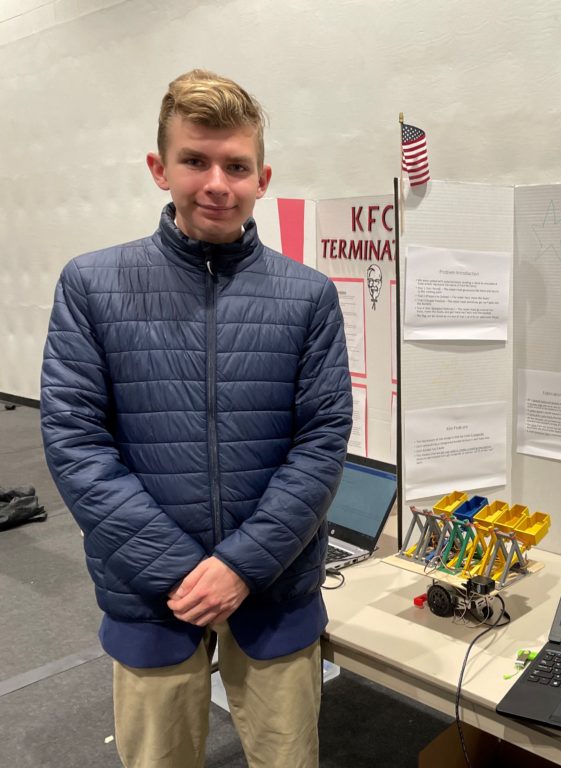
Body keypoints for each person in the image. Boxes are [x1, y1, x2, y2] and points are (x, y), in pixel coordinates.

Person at [40, 69, 352, 768]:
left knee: (289, 760)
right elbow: (75, 442)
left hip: (274, 587)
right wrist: (185, 570)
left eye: (236, 166)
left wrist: (239, 566)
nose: (217, 183)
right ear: (160, 169)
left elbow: (322, 442)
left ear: (262, 177)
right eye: (195, 161)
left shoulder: (307, 297)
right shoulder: (92, 285)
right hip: (152, 591)